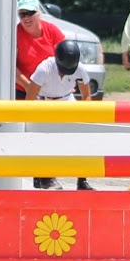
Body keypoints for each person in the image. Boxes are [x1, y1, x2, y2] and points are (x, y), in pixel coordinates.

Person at [28, 39, 94, 191]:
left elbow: (86, 95)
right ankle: (45, 177)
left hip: (67, 100)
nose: (64, 72)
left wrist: (86, 118)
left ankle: (82, 179)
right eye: (62, 69)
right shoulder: (43, 68)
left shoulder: (79, 69)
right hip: (44, 102)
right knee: (45, 138)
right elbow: (30, 98)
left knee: (83, 136)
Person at [14, 0, 66, 189]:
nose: (26, 18)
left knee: (50, 134)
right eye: (22, 14)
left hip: (51, 92)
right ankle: (39, 175)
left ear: (39, 14)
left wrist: (65, 83)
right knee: (30, 134)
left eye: (30, 13)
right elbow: (12, 67)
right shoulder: (16, 34)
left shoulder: (52, 31)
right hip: (24, 89)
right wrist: (30, 87)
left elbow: (65, 58)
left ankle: (50, 176)